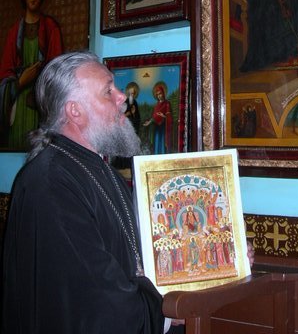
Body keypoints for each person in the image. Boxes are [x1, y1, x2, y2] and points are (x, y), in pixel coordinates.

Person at [1, 50, 184, 334]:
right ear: (75, 111)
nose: (121, 97)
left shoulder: (102, 170)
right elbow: (94, 299)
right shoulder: (50, 184)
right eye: (108, 91)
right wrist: (167, 313)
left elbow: (138, 254)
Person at [0, 0, 63, 150]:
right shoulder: (14, 33)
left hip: (40, 109)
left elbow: (58, 74)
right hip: (17, 110)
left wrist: (39, 80)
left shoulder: (51, 28)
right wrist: (20, 82)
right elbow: (3, 77)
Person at [144, 83, 173, 153]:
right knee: (157, 141)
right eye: (157, 95)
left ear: (163, 93)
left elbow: (169, 116)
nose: (159, 96)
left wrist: (163, 116)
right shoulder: (156, 105)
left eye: (160, 93)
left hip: (163, 127)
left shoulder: (167, 103)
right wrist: (149, 122)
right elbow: (154, 116)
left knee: (162, 141)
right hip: (156, 127)